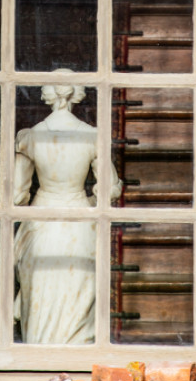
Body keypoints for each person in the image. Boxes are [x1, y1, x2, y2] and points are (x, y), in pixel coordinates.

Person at [13, 77, 122, 343]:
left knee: (41, 290)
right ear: (78, 96)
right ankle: (75, 353)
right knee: (78, 290)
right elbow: (109, 189)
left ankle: (39, 351)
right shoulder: (92, 136)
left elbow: (16, 195)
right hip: (80, 222)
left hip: (42, 221)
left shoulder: (31, 137)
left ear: (47, 95)